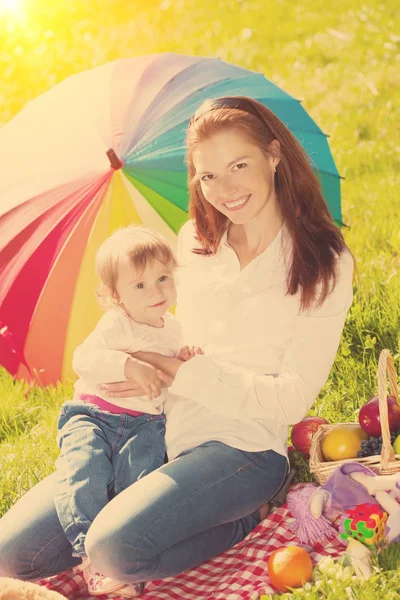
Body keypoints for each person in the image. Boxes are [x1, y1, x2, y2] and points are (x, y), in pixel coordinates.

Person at [0, 96, 354, 597]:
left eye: (238, 166)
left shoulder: (324, 262)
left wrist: (176, 370)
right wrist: (122, 359)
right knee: (14, 554)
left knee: (113, 549)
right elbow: (160, 323)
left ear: (274, 154)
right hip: (153, 430)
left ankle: (248, 514)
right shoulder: (193, 243)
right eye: (208, 177)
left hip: (243, 445)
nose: (225, 191)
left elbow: (291, 397)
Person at [54, 225, 198, 596]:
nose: (156, 291)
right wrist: (127, 365)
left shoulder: (176, 329)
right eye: (140, 285)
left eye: (163, 278)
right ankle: (90, 554)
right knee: (84, 470)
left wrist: (185, 360)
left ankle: (126, 547)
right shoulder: (116, 324)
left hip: (145, 423)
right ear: (114, 296)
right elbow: (83, 358)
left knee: (141, 480)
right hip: (94, 416)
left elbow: (178, 376)